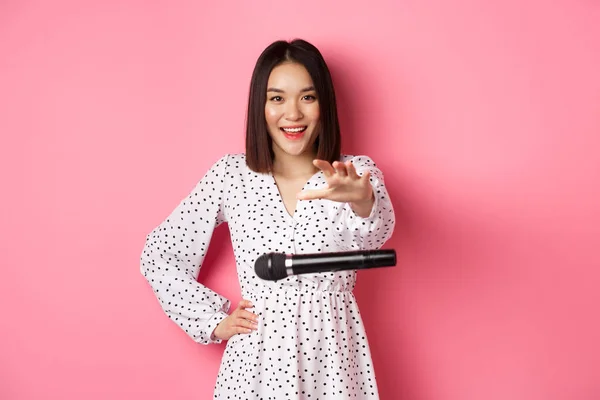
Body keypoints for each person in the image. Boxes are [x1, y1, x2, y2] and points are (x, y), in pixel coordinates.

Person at [140, 38, 395, 399]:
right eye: (277, 98)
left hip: (334, 359)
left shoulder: (355, 173)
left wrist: (362, 201)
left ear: (325, 104)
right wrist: (213, 320)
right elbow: (160, 253)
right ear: (260, 106)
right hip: (256, 363)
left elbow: (375, 236)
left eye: (308, 97)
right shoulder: (231, 176)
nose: (293, 114)